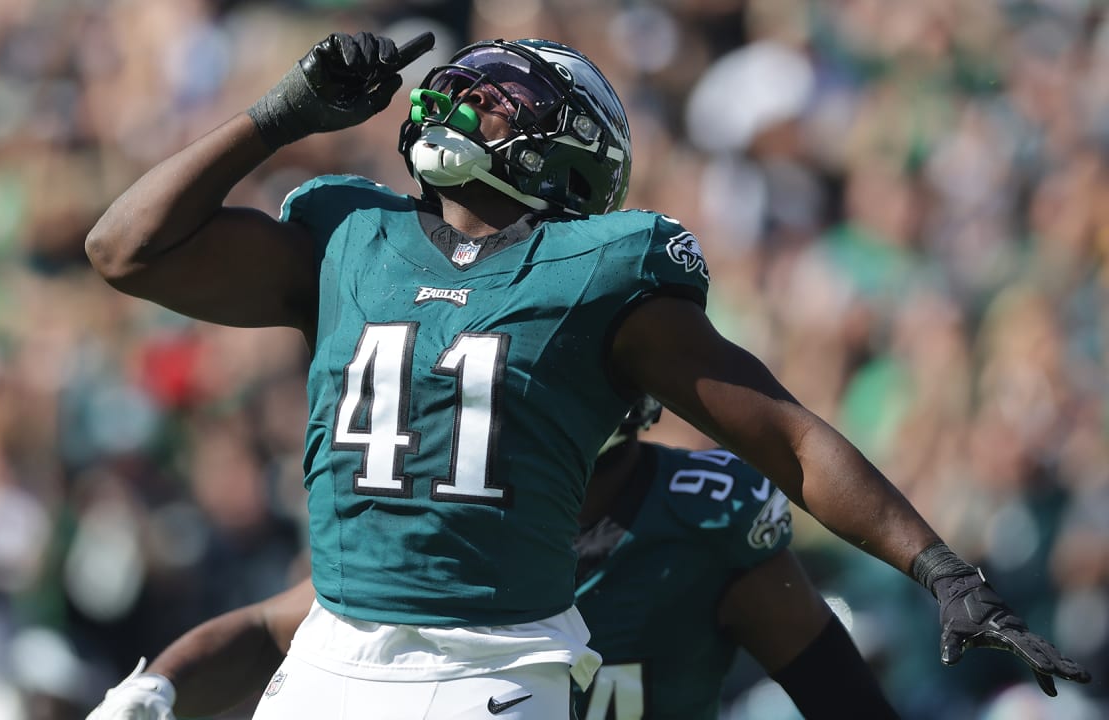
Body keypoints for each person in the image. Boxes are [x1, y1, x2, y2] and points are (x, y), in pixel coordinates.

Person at [83, 30, 1089, 718]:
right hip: (335, 654)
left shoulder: (602, 273)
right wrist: (278, 113)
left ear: (572, 153)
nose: (464, 97)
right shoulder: (352, 235)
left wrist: (939, 567)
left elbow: (782, 435)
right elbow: (124, 248)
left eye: (501, 92)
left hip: (490, 673)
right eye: (465, 79)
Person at [86, 398, 901, 719]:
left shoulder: (700, 519)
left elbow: (844, 701)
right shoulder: (439, 510)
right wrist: (153, 691)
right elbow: (277, 631)